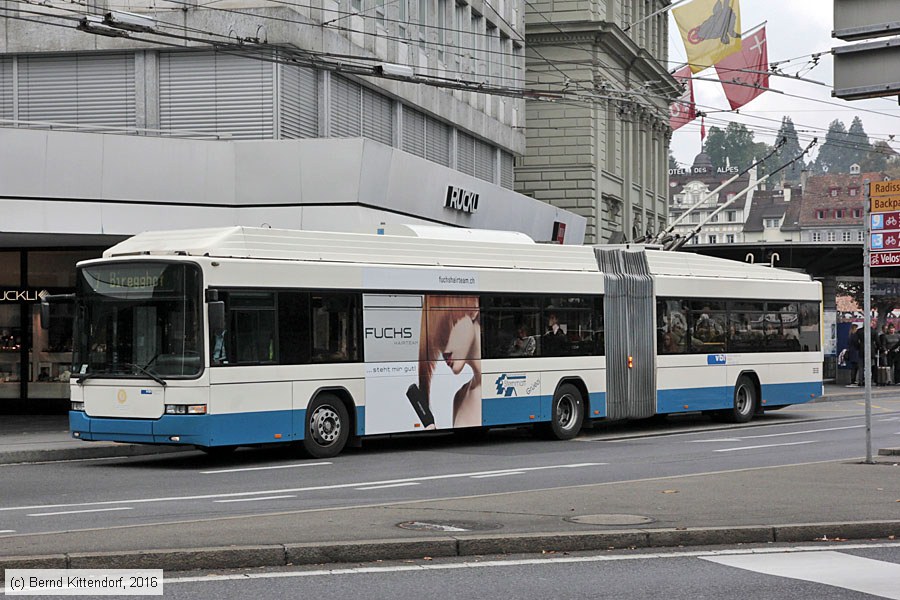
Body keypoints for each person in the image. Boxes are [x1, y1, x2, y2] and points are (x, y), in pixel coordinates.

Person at [408, 295, 482, 429]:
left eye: (445, 332)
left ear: (473, 308)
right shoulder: (460, 397)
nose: (444, 351)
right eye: (438, 341)